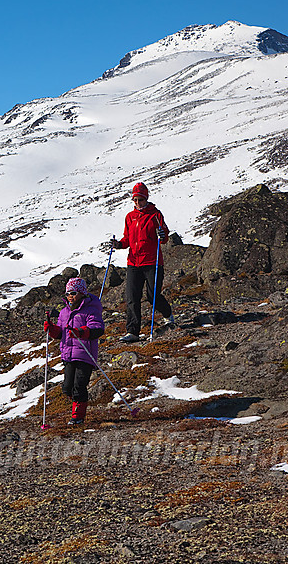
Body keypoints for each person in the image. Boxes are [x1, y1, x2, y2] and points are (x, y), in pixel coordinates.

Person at [112, 182, 174, 343]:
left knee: (152, 296)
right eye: (135, 200)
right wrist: (119, 244)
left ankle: (168, 314)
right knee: (132, 297)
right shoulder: (130, 217)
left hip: (152, 262)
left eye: (140, 199)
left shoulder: (155, 215)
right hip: (133, 262)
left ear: (146, 198)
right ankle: (133, 331)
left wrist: (162, 234)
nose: (137, 203)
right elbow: (127, 239)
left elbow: (165, 237)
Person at [43, 277, 105, 425]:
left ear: (82, 293)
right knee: (67, 388)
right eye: (68, 293)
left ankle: (78, 417)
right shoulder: (64, 312)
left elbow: (98, 329)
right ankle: (78, 404)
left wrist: (82, 332)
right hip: (68, 355)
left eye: (74, 292)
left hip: (85, 354)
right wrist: (52, 329)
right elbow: (60, 333)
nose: (70, 295)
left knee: (79, 385)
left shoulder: (91, 310)